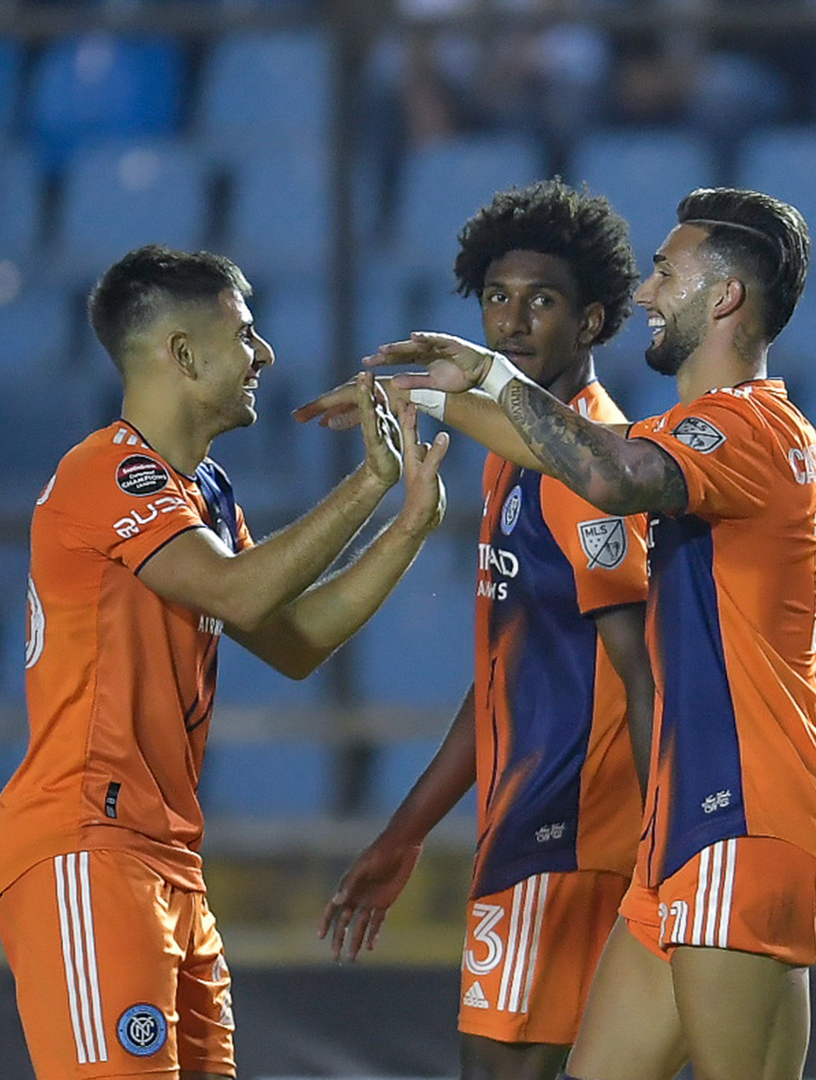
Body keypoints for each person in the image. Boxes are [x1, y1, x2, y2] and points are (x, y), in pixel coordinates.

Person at [365, 188, 816, 1080]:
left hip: (742, 816)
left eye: (667, 272)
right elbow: (577, 453)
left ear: (725, 297)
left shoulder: (744, 426)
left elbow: (608, 473)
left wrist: (493, 379)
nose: (651, 293)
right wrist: (423, 395)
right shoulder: (704, 434)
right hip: (683, 833)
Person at [0, 244, 450, 1080]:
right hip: (89, 844)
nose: (264, 354)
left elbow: (293, 641)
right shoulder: (105, 472)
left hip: (164, 858)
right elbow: (240, 595)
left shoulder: (200, 492)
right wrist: (367, 482)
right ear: (182, 354)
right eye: (245, 332)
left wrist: (410, 518)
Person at [306, 180, 656, 1080]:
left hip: (569, 839)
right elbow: (510, 676)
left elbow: (643, 667)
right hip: (531, 832)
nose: (512, 321)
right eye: (497, 299)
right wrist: (408, 830)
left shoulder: (585, 466)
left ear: (591, 323)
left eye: (541, 300)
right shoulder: (516, 459)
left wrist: (670, 845)